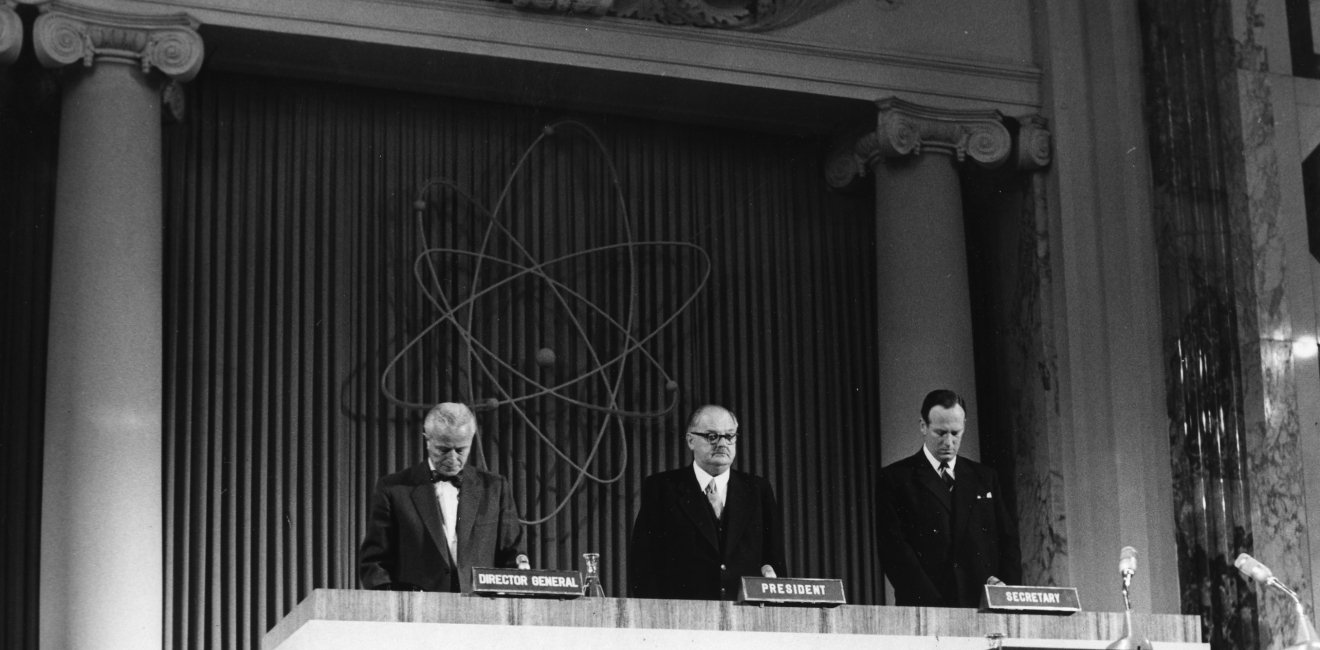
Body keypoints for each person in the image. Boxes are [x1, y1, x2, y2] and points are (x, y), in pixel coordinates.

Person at [359, 402, 528, 592]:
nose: (452, 459)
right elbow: (374, 564)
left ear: (471, 440)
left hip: (482, 611)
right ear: (427, 440)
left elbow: (513, 555)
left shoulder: (495, 488)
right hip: (416, 614)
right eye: (443, 450)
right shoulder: (393, 489)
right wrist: (393, 605)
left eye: (460, 450)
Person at [875, 389, 1021, 607]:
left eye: (956, 433)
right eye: (940, 433)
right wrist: (931, 604)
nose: (949, 442)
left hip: (982, 606)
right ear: (923, 426)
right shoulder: (896, 479)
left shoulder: (985, 478)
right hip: (924, 608)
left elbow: (1007, 540)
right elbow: (895, 551)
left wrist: (1005, 592)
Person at [628, 404, 786, 600]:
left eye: (729, 436)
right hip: (681, 620)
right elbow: (642, 564)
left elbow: (775, 561)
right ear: (690, 440)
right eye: (712, 436)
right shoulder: (662, 488)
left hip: (746, 619)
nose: (722, 444)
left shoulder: (758, 489)